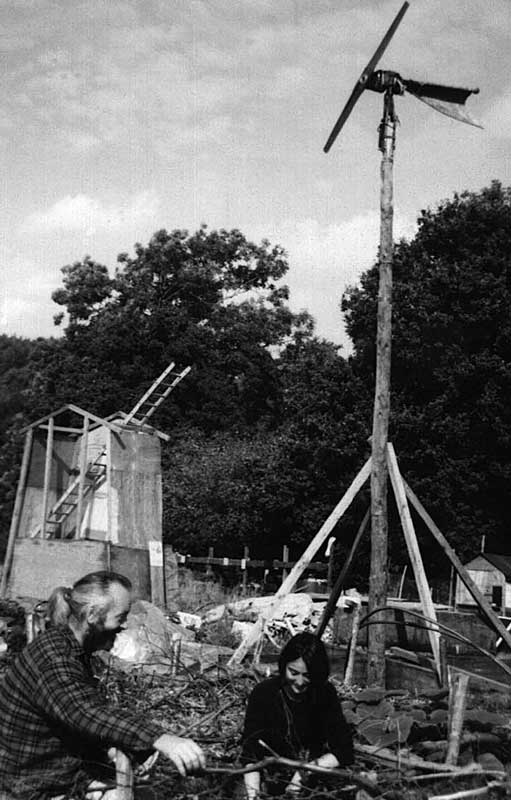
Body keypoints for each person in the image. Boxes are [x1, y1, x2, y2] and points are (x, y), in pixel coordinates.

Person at [0, 571, 205, 800]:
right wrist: (161, 739)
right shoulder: (54, 659)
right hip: (36, 787)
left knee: (144, 791)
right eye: (120, 617)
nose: (123, 626)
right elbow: (85, 712)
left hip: (63, 772)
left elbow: (81, 720)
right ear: (92, 615)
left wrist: (124, 750)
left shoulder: (70, 648)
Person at [241, 632, 353, 798]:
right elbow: (251, 752)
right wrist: (253, 795)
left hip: (311, 774)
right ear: (283, 665)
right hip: (269, 773)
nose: (299, 683)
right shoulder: (264, 694)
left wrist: (305, 773)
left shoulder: (324, 694)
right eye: (293, 673)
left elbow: (344, 750)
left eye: (307, 676)